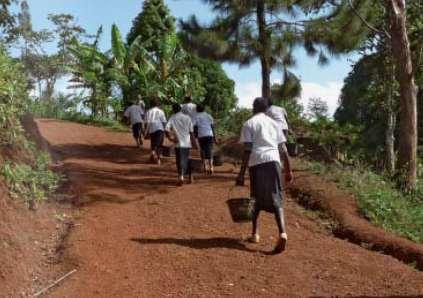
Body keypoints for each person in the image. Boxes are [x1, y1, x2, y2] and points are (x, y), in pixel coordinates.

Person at [236, 97, 293, 254]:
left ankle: (255, 234)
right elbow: (284, 150)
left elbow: (247, 150)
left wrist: (241, 174)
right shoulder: (275, 124)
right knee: (277, 198)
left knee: (255, 198)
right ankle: (282, 233)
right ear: (267, 109)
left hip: (257, 163)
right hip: (274, 162)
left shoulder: (249, 124)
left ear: (253, 107)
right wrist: (288, 170)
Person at [165, 103, 197, 186]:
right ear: (180, 109)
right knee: (186, 159)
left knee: (179, 160)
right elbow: (191, 132)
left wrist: (171, 138)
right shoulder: (187, 117)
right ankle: (190, 176)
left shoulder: (173, 117)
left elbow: (166, 129)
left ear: (173, 110)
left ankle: (181, 177)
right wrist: (194, 143)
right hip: (187, 143)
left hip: (178, 143)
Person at [194, 104, 217, 175]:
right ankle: (211, 167)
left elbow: (195, 127)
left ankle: (205, 167)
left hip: (201, 136)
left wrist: (195, 136)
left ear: (197, 110)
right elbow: (212, 127)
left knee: (203, 151)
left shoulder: (196, 117)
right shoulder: (209, 116)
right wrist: (215, 137)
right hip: (209, 135)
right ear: (204, 109)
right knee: (210, 150)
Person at [144, 98, 167, 165]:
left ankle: (152, 155)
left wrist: (146, 131)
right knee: (159, 145)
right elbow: (164, 122)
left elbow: (146, 123)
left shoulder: (148, 111)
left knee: (153, 143)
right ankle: (158, 159)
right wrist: (166, 130)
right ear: (157, 104)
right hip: (160, 128)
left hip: (152, 129)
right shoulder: (161, 111)